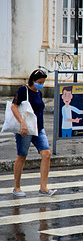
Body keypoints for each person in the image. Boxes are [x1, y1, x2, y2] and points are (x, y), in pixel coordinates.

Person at [11, 69, 57, 197]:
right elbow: (14, 106)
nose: (41, 84)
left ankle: (43, 187)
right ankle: (17, 187)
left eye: (43, 82)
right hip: (25, 130)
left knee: (46, 154)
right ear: (33, 80)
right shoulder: (23, 91)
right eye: (39, 82)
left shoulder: (39, 93)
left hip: (38, 129)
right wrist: (22, 123)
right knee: (22, 156)